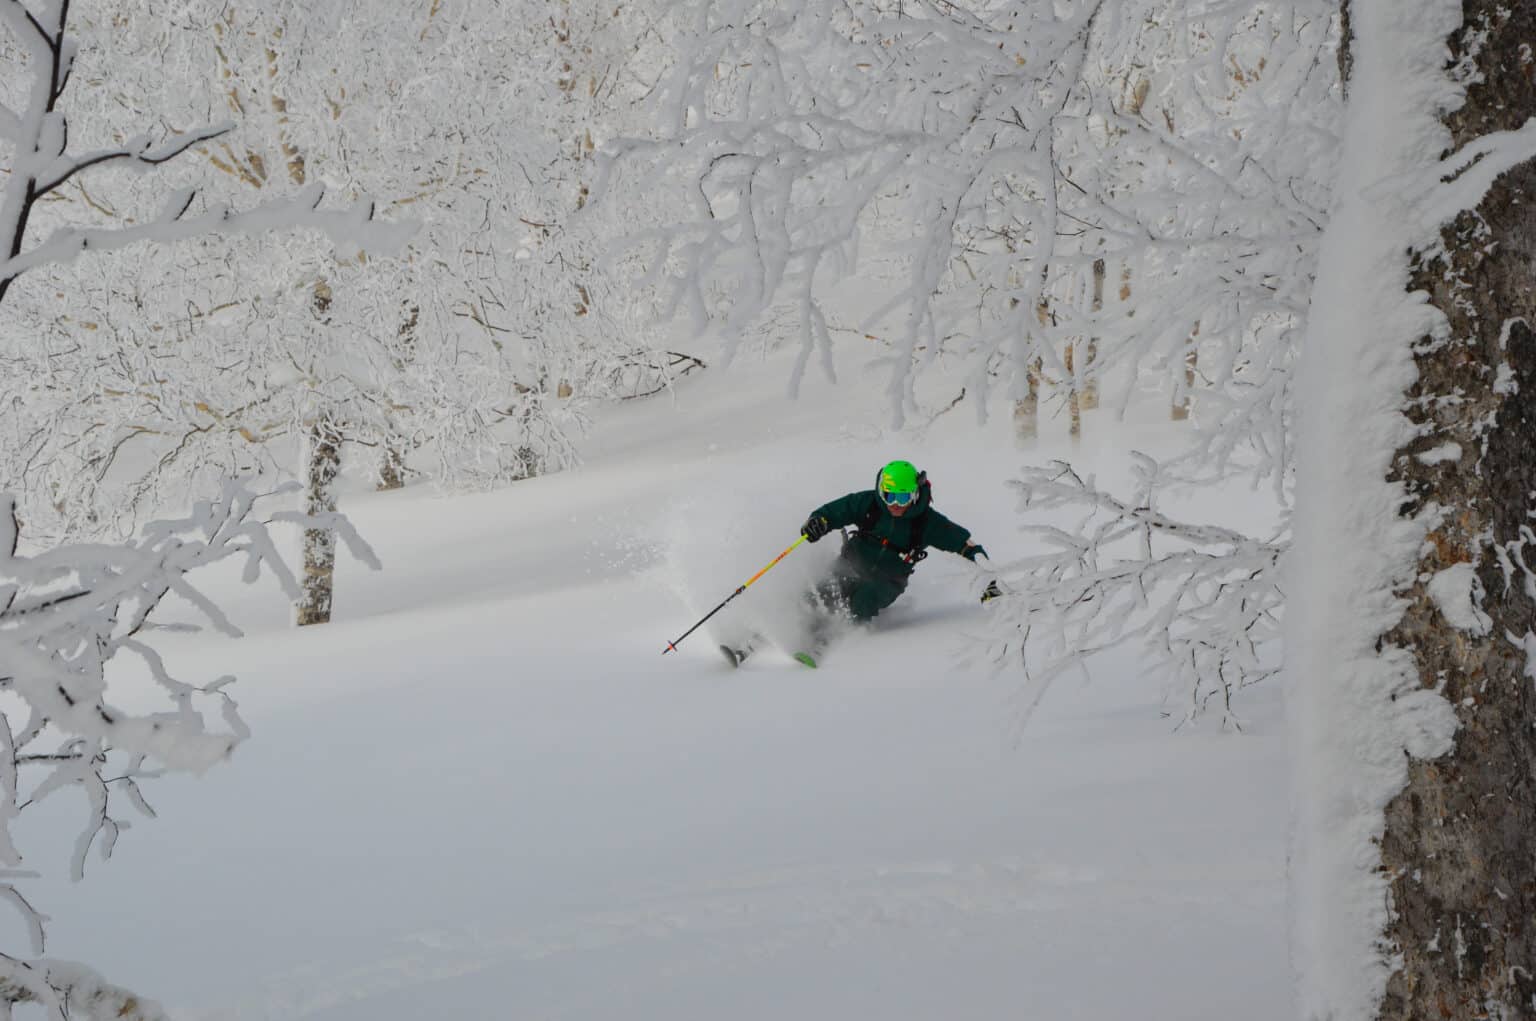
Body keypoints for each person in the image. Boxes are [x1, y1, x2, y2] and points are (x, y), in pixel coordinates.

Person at [799, 460, 1001, 639]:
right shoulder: (869, 503)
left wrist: (989, 580)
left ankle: (838, 639)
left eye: (903, 498)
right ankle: (798, 623)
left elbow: (966, 545)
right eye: (889, 496)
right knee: (820, 593)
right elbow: (834, 512)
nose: (895, 504)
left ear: (914, 494)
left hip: (887, 580)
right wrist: (818, 522)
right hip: (851, 563)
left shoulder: (927, 522)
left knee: (861, 601)